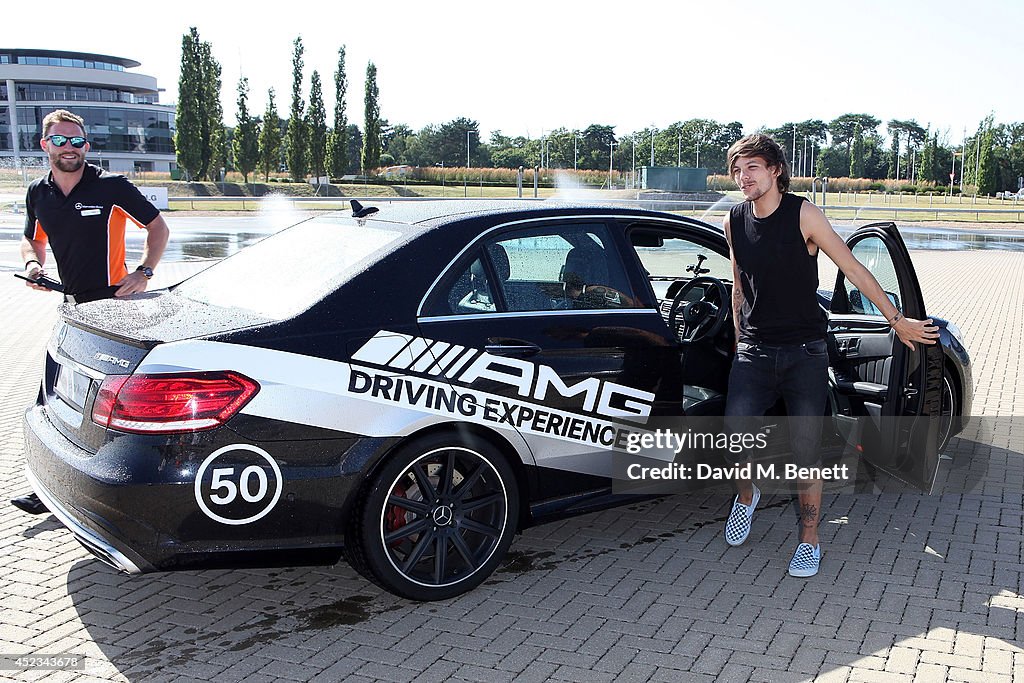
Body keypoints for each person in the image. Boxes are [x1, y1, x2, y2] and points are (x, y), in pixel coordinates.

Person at [720, 133, 937, 577]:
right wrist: (740, 338)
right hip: (755, 351)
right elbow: (740, 285)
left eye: (752, 168)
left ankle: (810, 541)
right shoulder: (734, 219)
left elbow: (854, 269)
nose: (744, 178)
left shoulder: (804, 215)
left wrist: (897, 320)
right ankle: (746, 496)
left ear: (775, 170)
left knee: (805, 451)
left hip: (805, 353)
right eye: (738, 170)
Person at [11, 109, 169, 515]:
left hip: (115, 309)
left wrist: (144, 272)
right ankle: (52, 481)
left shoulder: (110, 187)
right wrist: (33, 265)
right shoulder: (38, 193)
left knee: (103, 404)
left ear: (87, 145)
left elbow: (158, 228)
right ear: (45, 145)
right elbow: (31, 240)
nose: (69, 148)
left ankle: (123, 489)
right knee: (53, 394)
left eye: (77, 141)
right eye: (60, 140)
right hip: (73, 308)